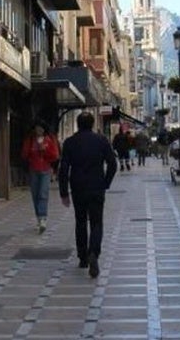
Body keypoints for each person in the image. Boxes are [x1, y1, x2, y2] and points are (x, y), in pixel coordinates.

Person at [58, 112, 117, 278]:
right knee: (97, 222)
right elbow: (112, 163)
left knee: (81, 221)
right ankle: (94, 252)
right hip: (97, 186)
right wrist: (105, 183)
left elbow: (63, 169)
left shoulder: (70, 142)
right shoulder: (101, 141)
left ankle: (83, 257)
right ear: (92, 124)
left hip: (78, 187)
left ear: (78, 124)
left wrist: (63, 192)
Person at [21, 120, 60, 234]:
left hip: (46, 170)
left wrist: (45, 150)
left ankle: (43, 218)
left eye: (41, 128)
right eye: (37, 128)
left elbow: (55, 155)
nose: (39, 130)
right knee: (35, 194)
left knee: (43, 193)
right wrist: (31, 153)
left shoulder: (49, 139)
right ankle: (38, 217)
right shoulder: (30, 140)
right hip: (33, 169)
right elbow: (24, 154)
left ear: (44, 129)